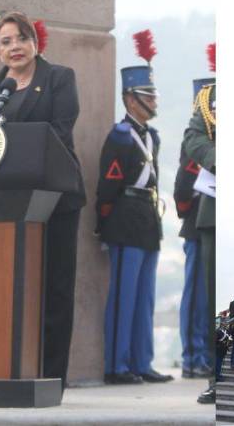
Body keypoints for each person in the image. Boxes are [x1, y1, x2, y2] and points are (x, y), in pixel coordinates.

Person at [0, 13, 86, 391]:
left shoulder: (59, 78)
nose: (14, 47)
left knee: (55, 287)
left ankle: (52, 374)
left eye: (20, 39)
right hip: (7, 202)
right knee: (13, 288)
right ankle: (13, 367)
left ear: (35, 42)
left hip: (55, 196)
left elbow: (59, 131)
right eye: (6, 41)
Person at [96, 29, 171, 385]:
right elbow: (108, 184)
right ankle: (116, 364)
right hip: (124, 216)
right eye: (147, 95)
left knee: (144, 297)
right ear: (130, 99)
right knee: (124, 296)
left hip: (147, 217)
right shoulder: (119, 136)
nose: (154, 101)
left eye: (153, 94)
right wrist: (104, 222)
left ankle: (142, 361)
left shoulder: (151, 137)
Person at [183, 65, 216, 403]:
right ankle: (216, 375)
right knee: (210, 293)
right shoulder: (210, 97)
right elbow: (193, 137)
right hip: (214, 207)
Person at [175, 83, 212, 379]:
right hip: (197, 223)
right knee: (197, 295)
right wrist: (186, 212)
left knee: (205, 296)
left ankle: (203, 356)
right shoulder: (197, 138)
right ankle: (192, 358)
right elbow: (182, 186)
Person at [215, 314, 230, 382]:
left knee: (220, 363)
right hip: (218, 350)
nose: (226, 324)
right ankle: (216, 376)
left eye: (226, 323)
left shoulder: (226, 332)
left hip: (223, 350)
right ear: (222, 324)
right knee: (217, 363)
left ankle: (218, 374)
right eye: (225, 323)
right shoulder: (218, 332)